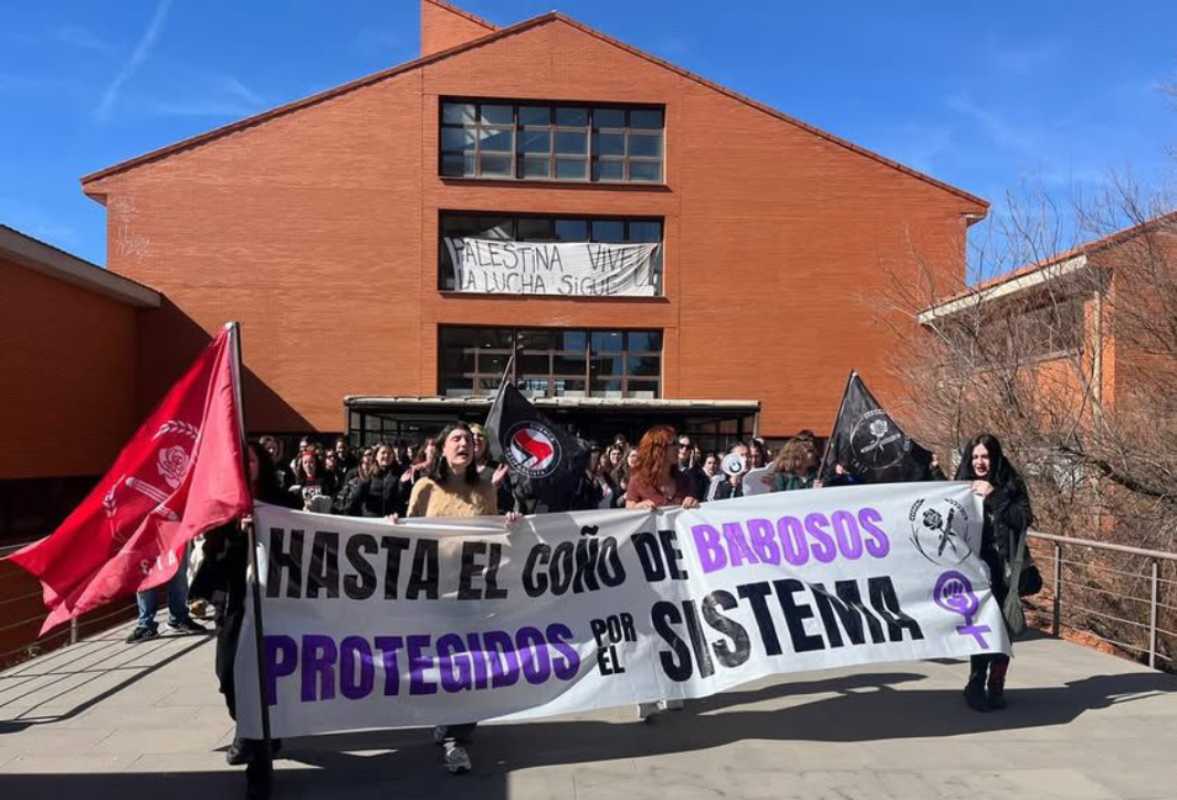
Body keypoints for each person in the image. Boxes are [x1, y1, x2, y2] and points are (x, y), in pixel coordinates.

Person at [404, 422, 520, 774]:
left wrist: (509, 523)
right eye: (456, 438)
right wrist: (394, 522)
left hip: (471, 589)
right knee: (441, 664)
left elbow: (492, 533)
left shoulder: (485, 488)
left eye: (469, 440)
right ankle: (447, 725)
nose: (464, 443)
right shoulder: (425, 487)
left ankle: (455, 734)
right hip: (434, 589)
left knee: (470, 663)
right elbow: (407, 534)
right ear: (441, 448)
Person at [188, 440, 294, 769]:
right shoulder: (221, 505)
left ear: (261, 463)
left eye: (249, 459)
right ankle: (246, 724)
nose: (245, 465)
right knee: (228, 671)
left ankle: (255, 735)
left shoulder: (284, 501)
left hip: (274, 599)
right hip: (233, 598)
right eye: (239, 460)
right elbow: (213, 554)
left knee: (267, 674)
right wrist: (238, 531)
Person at [624, 424, 700, 721]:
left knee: (677, 624)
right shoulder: (638, 481)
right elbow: (623, 515)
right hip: (646, 567)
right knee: (650, 630)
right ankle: (646, 692)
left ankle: (674, 685)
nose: (678, 451)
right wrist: (637, 507)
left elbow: (692, 513)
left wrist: (692, 505)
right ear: (658, 450)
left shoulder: (684, 480)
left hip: (678, 566)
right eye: (672, 446)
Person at [953, 433, 1032, 712]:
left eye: (985, 456)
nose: (979, 462)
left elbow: (1024, 519)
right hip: (973, 569)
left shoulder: (1010, 483)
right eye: (975, 457)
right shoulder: (960, 484)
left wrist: (995, 496)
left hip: (1003, 569)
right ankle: (975, 684)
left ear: (995, 457)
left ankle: (996, 684)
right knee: (981, 628)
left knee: (1002, 629)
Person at [347, 443, 404, 518]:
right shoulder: (368, 475)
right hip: (370, 521)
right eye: (383, 453)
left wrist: (403, 484)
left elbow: (401, 500)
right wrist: (362, 484)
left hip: (390, 520)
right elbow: (355, 500)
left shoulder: (399, 475)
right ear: (376, 456)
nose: (386, 456)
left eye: (389, 453)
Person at [676, 435, 710, 502]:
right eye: (681, 446)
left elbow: (699, 493)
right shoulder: (667, 467)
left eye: (688, 447)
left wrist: (692, 469)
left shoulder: (699, 473)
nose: (684, 449)